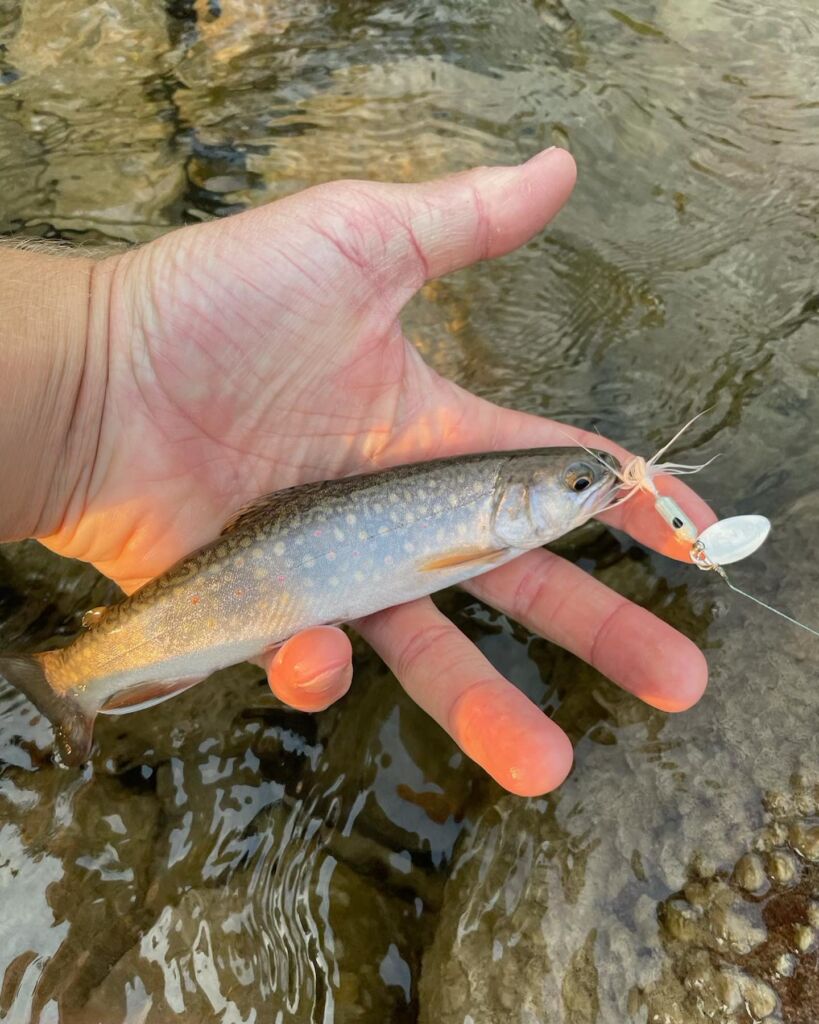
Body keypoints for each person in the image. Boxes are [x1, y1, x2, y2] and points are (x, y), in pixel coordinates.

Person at [0, 147, 712, 796]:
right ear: (512, 500)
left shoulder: (495, 524)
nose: (593, 492)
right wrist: (93, 364)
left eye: (583, 485)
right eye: (577, 488)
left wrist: (89, 379)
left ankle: (74, 675)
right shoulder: (485, 534)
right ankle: (70, 675)